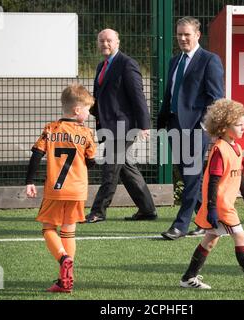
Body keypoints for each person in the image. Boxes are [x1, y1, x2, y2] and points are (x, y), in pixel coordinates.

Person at [179, 98, 244, 293]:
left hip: (224, 205)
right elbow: (213, 182)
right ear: (223, 127)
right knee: (241, 237)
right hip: (221, 206)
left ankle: (188, 278)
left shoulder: (237, 148)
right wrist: (212, 208)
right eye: (240, 125)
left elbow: (239, 174)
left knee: (210, 239)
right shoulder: (219, 150)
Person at [25, 83, 97, 293]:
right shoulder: (86, 133)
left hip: (55, 190)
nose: (89, 113)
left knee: (48, 228)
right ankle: (66, 280)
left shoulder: (51, 128)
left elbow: (36, 155)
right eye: (87, 109)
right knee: (69, 232)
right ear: (77, 110)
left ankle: (62, 257)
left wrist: (29, 181)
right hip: (77, 190)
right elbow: (92, 161)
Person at [157, 17, 224, 239]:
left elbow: (216, 98)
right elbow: (170, 91)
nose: (182, 38)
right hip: (174, 124)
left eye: (187, 34)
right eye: (179, 34)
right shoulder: (174, 61)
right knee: (186, 175)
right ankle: (207, 218)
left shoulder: (209, 60)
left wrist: (205, 126)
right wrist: (163, 119)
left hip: (197, 128)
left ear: (197, 35)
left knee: (193, 175)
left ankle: (181, 225)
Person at [86, 28, 157, 223]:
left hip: (124, 127)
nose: (105, 44)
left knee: (110, 168)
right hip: (108, 126)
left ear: (118, 42)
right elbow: (103, 97)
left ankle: (98, 211)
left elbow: (137, 95)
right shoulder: (102, 66)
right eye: (101, 40)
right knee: (125, 168)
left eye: (109, 40)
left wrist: (144, 125)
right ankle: (147, 210)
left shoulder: (127, 64)